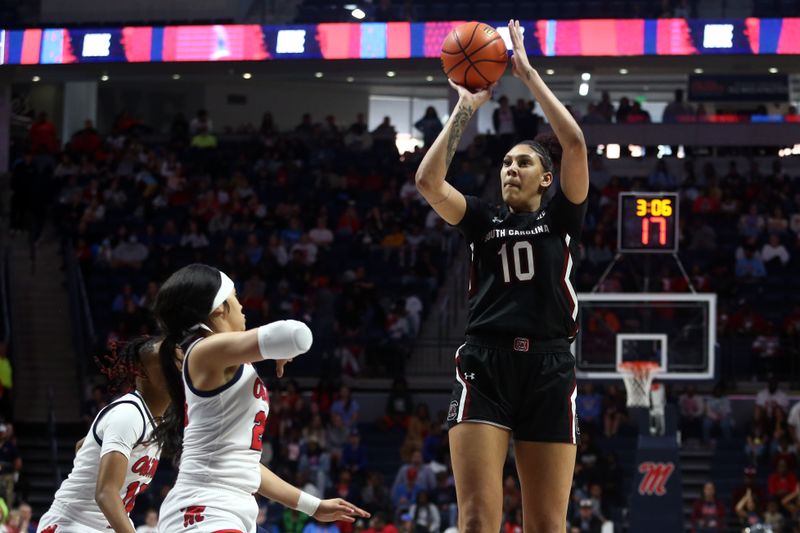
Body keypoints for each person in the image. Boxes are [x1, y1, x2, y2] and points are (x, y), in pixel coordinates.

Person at [414, 20, 588, 533]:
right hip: (484, 364)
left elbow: (574, 143)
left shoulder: (561, 217)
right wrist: (467, 106)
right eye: (506, 163)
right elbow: (427, 181)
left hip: (550, 365)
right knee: (476, 520)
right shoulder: (481, 219)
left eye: (524, 163)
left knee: (546, 524)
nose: (511, 169)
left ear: (547, 178)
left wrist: (529, 76)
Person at [151, 264, 368, 532]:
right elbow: (297, 335)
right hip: (204, 509)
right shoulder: (203, 351)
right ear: (219, 308)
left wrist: (314, 506)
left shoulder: (223, 360)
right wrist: (280, 347)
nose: (242, 307)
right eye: (236, 298)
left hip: (230, 509)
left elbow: (246, 465)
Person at [36, 337, 168, 533]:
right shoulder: (130, 414)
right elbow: (106, 493)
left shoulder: (156, 421)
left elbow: (82, 445)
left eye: (182, 362)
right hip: (73, 524)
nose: (180, 369)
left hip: (104, 525)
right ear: (142, 371)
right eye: (169, 362)